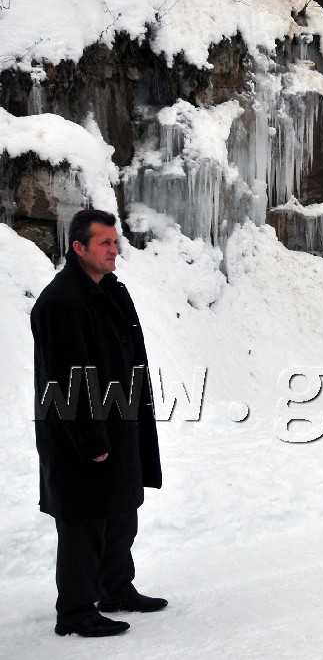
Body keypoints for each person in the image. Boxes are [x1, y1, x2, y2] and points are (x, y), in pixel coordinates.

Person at [31, 208, 166, 638]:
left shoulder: (109, 290)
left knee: (122, 513)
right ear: (79, 247)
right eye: (105, 243)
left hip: (119, 421)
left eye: (115, 241)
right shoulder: (60, 302)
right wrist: (91, 440)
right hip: (81, 433)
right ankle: (74, 612)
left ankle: (116, 589)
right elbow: (65, 377)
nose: (114, 250)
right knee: (83, 522)